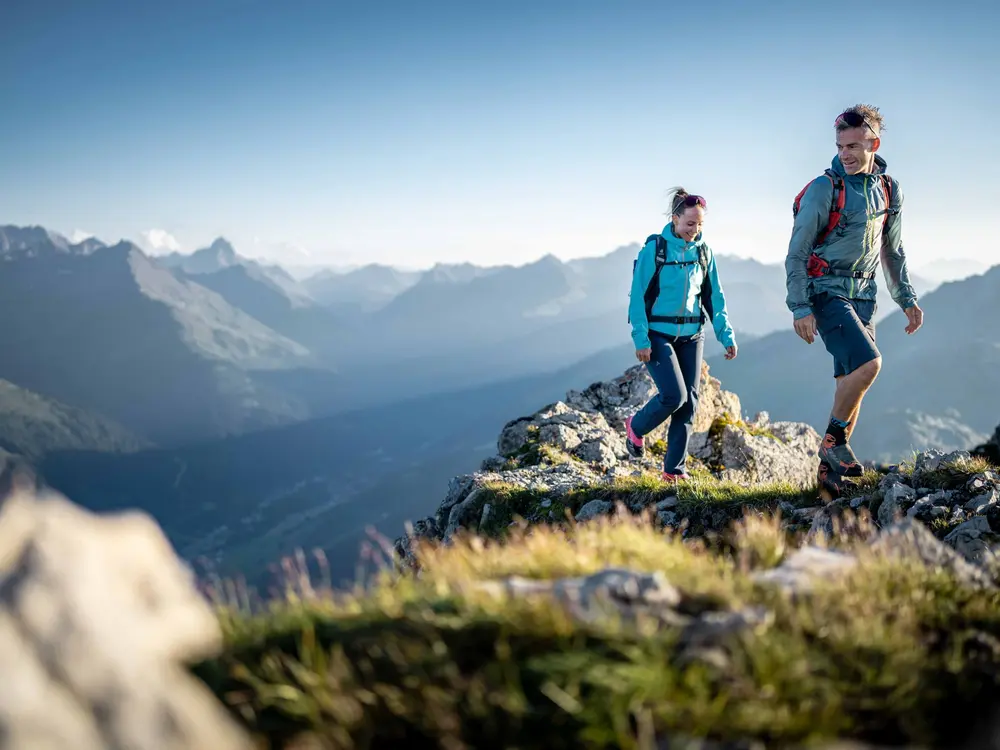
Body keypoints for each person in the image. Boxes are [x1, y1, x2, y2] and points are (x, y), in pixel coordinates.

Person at [784, 104, 923, 494]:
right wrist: (800, 306)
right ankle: (832, 443)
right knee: (869, 365)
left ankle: (829, 481)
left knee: (850, 382)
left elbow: (892, 252)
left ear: (873, 143)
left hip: (864, 295)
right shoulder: (823, 188)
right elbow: (797, 251)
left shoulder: (889, 189)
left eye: (854, 146)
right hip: (824, 290)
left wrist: (906, 299)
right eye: (840, 145)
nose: (845, 153)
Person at [624, 187, 738, 482]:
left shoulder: (704, 252)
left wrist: (726, 336)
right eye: (690, 224)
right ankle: (636, 427)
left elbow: (715, 298)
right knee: (673, 396)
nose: (695, 230)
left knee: (689, 403)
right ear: (675, 219)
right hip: (658, 334)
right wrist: (641, 339)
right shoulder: (655, 251)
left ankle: (673, 471)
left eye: (700, 224)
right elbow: (637, 297)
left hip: (692, 336)